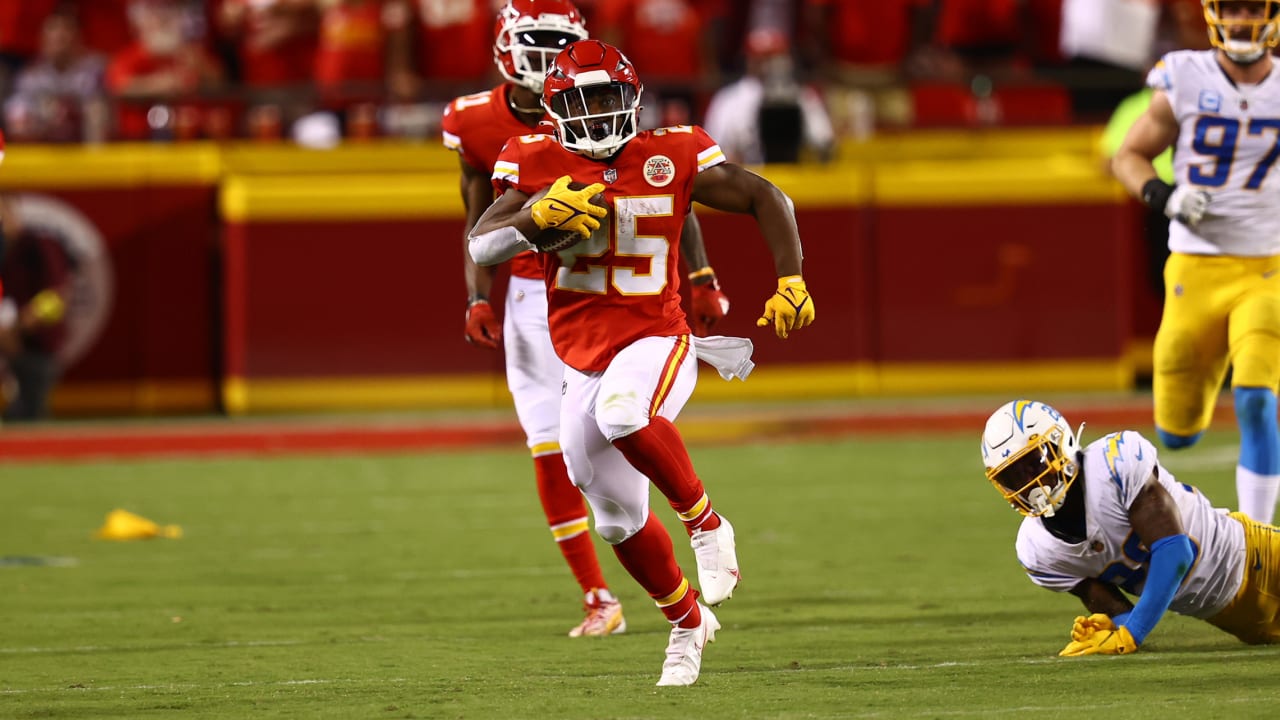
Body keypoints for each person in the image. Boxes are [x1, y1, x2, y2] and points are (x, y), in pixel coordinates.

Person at [468, 39, 816, 685]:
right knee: (614, 517)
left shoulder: (672, 151)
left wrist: (790, 279)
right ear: (557, 107)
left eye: (608, 97)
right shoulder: (531, 159)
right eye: (584, 100)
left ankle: (708, 525)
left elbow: (768, 196)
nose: (599, 113)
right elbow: (482, 242)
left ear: (631, 98)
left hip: (658, 338)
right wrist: (532, 222)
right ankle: (687, 624)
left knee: (626, 413)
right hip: (580, 360)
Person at [441, 0, 728, 640]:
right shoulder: (481, 125)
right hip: (531, 297)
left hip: (623, 301)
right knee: (557, 453)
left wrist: (702, 277)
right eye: (532, 39)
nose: (543, 54)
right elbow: (477, 223)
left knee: (620, 426)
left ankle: (695, 529)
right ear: (505, 44)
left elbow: (671, 200)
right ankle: (599, 593)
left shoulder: (613, 109)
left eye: (554, 40)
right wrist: (477, 294)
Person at [1111, 0, 1280, 524]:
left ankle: (1257, 538)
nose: (1241, 19)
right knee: (1177, 432)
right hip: (1195, 266)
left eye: (1253, 7)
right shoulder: (1184, 75)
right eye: (1232, 7)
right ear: (1213, 14)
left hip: (1268, 269)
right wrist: (1166, 197)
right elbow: (1127, 155)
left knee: (1257, 396)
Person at [981, 399, 1280, 655]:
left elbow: (1177, 551)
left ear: (1061, 442)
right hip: (1236, 620)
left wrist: (1133, 633)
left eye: (1033, 464)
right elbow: (1109, 604)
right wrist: (1116, 629)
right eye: (1013, 477)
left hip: (1258, 556)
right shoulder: (1038, 549)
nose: (1029, 483)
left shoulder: (1114, 464)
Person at [702, 28, 834, 165]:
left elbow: (824, 142)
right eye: (760, 58)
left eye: (772, 57)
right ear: (748, 59)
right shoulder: (728, 98)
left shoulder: (802, 96)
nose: (766, 64)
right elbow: (713, 150)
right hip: (746, 176)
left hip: (794, 177)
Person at [0, 194, 70, 422]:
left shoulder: (37, 244)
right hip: (12, 347)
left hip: (38, 345)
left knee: (30, 412)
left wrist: (18, 327)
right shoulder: (7, 250)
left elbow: (56, 296)